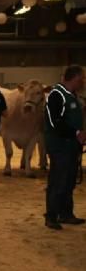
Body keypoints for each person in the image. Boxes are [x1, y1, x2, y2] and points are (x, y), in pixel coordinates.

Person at [44, 65, 86, 230]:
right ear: (74, 78)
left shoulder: (72, 95)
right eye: (81, 78)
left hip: (71, 146)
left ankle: (66, 213)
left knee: (69, 181)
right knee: (58, 181)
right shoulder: (56, 95)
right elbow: (54, 122)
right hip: (59, 146)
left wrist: (79, 135)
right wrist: (76, 133)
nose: (83, 81)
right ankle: (51, 216)